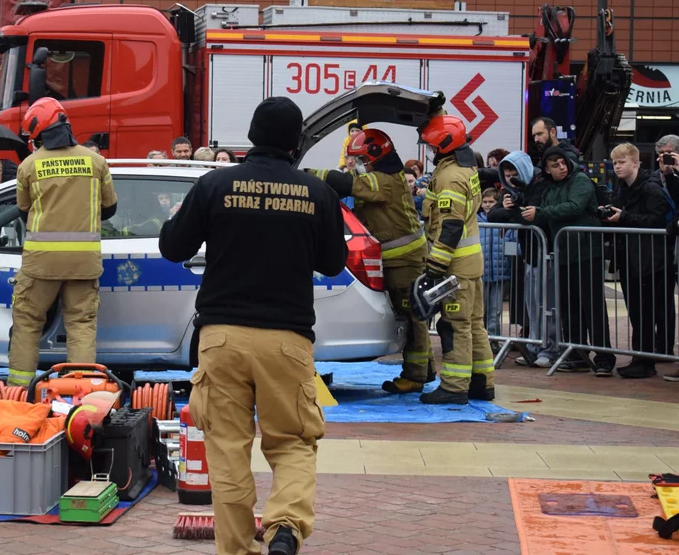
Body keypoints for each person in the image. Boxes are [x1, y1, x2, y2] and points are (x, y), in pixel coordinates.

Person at [159, 97, 346, 555]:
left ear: (252, 134)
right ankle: (285, 526)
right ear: (296, 141)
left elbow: (173, 247)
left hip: (221, 337)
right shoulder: (316, 193)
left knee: (227, 449)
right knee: (294, 441)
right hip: (287, 338)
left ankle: (237, 548)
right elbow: (333, 262)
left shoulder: (214, 184)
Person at [6, 98, 117, 387]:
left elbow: (22, 210)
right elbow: (110, 208)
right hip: (84, 262)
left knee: (28, 324)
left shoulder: (29, 165)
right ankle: (80, 396)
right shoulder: (96, 161)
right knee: (80, 325)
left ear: (38, 132)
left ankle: (19, 394)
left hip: (40, 263)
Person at [318, 128, 433, 395]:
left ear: (373, 158)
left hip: (405, 261)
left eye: (359, 160)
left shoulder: (385, 180)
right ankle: (423, 370)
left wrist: (311, 176)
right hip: (398, 259)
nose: (356, 165)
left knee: (413, 316)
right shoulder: (381, 177)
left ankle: (415, 376)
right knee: (411, 315)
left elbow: (348, 184)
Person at [417, 115, 493, 405]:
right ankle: (483, 383)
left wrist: (435, 266)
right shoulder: (464, 167)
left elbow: (450, 226)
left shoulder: (450, 176)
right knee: (475, 324)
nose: (430, 150)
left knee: (455, 325)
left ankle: (454, 386)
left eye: (432, 145)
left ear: (445, 146)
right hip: (471, 263)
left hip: (455, 267)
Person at [521, 146, 614, 375]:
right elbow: (541, 213)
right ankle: (575, 353)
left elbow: (574, 207)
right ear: (547, 169)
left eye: (562, 163)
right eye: (555, 165)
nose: (561, 167)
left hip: (586, 251)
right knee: (569, 306)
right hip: (563, 253)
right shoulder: (549, 189)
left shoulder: (581, 180)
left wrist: (540, 213)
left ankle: (604, 357)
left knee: (592, 306)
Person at [606, 143, 671, 379]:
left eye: (621, 162)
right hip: (632, 257)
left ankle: (644, 360)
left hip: (648, 259)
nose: (617, 167)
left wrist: (624, 216)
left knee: (644, 311)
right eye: (614, 163)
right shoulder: (623, 188)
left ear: (635, 162)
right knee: (636, 310)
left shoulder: (651, 188)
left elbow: (656, 220)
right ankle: (641, 358)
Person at [488, 151, 556, 367]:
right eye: (506, 175)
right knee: (532, 304)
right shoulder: (510, 193)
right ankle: (535, 346)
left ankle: (549, 347)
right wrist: (510, 208)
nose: (510, 179)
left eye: (514, 173)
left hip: (545, 253)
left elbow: (530, 218)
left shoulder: (541, 186)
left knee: (547, 305)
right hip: (529, 254)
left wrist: (514, 211)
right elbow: (493, 215)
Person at [655, 135, 679, 383]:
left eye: (670, 153)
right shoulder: (658, 177)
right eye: (662, 153)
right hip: (669, 248)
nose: (666, 158)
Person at [479, 188, 513, 341]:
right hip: (481, 272)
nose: (487, 205)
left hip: (500, 272)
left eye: (491, 202)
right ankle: (480, 338)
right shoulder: (476, 221)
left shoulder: (504, 221)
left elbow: (513, 243)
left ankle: (493, 339)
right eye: (485, 202)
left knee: (496, 310)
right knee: (481, 309)